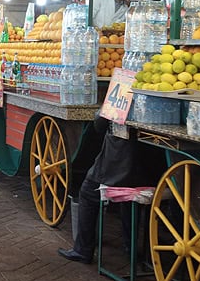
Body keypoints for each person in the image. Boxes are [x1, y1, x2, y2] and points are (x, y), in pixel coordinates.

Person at [58, 113, 165, 264]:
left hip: (120, 164)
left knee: (87, 192)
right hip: (154, 171)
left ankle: (83, 250)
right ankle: (130, 248)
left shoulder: (121, 90)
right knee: (129, 199)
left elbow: (99, 124)